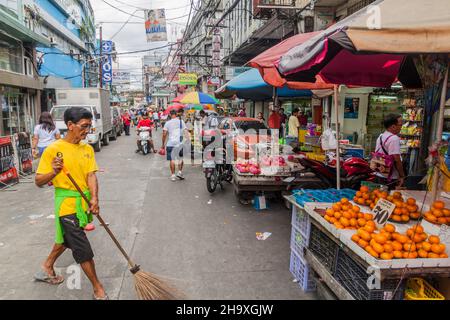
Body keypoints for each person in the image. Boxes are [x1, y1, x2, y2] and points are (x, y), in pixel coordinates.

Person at [34, 107, 107, 300]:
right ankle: (98, 288)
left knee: (68, 239)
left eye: (89, 126)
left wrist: (94, 198)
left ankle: (47, 267)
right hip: (66, 204)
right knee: (82, 248)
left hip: (82, 204)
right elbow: (39, 181)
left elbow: (91, 175)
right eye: (83, 126)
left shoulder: (87, 148)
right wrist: (54, 173)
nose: (87, 131)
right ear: (70, 126)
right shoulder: (53, 150)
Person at [374, 114, 406, 189]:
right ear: (393, 126)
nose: (401, 127)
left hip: (379, 173)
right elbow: (397, 160)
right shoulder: (394, 139)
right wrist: (402, 176)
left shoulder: (381, 136)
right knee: (388, 198)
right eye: (400, 125)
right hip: (390, 177)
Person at [162, 109, 188, 181]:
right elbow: (185, 131)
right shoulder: (181, 122)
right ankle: (179, 172)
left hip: (170, 144)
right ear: (176, 114)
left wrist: (163, 144)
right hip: (179, 143)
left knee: (172, 160)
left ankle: (173, 175)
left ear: (170, 115)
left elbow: (164, 134)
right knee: (180, 158)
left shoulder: (167, 123)